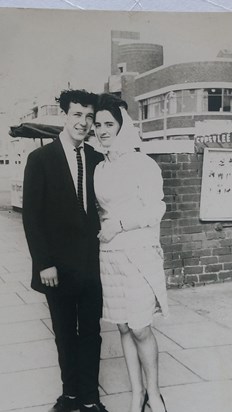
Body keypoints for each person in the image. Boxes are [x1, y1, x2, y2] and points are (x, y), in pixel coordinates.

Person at [22, 89, 109, 412]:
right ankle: (70, 395)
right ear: (64, 116)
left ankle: (90, 398)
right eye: (77, 115)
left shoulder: (97, 160)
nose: (84, 123)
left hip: (91, 267)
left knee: (91, 332)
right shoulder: (40, 159)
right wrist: (44, 263)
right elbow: (31, 217)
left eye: (89, 117)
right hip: (56, 268)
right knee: (63, 334)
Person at [93, 93, 168, 412]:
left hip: (137, 254)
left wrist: (119, 224)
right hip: (109, 255)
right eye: (97, 125)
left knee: (140, 326)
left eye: (109, 124)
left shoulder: (143, 164)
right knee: (122, 325)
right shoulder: (99, 168)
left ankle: (154, 393)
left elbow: (157, 209)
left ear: (122, 125)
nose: (101, 130)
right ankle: (136, 394)